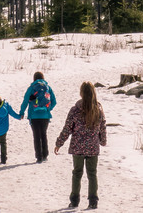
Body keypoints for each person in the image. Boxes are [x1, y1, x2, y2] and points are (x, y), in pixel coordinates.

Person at [54, 81, 107, 209]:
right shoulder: (98, 110)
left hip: (77, 147)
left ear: (81, 93)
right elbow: (102, 128)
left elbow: (67, 128)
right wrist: (103, 141)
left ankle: (74, 200)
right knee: (92, 174)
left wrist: (59, 143)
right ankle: (93, 200)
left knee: (77, 173)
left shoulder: (75, 110)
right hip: (93, 148)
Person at [19, 71, 57, 163]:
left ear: (34, 78)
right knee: (43, 134)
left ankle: (39, 157)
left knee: (36, 136)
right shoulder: (48, 88)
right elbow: (54, 101)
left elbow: (25, 101)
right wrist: (47, 109)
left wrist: (22, 112)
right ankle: (45, 155)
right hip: (45, 116)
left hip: (34, 115)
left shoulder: (31, 88)